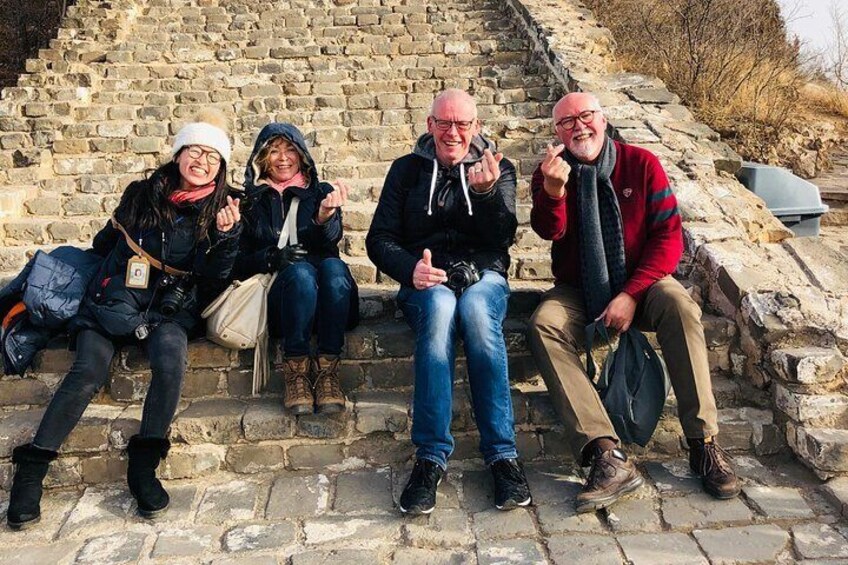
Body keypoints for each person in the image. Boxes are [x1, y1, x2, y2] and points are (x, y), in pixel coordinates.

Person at [5, 110, 242, 529]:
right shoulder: (141, 194)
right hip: (110, 302)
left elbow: (213, 278)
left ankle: (144, 465)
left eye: (211, 155)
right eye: (194, 150)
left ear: (221, 167)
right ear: (178, 153)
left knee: (171, 360)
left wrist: (226, 238)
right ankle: (32, 471)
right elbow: (105, 244)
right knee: (87, 370)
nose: (201, 161)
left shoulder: (222, 210)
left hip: (166, 309)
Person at [527, 92, 740, 513]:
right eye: (566, 122)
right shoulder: (550, 172)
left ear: (603, 120)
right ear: (557, 132)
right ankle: (605, 454)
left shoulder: (640, 164)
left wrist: (630, 294)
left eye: (585, 116)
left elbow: (668, 238)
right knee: (543, 324)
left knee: (680, 307)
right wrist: (553, 192)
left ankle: (703, 442)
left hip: (642, 282)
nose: (578, 127)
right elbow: (549, 232)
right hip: (578, 288)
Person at [366, 89, 532, 515]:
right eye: (445, 123)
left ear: (476, 127)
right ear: (430, 126)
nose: (453, 132)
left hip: (484, 276)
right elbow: (379, 239)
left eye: (462, 124)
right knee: (440, 310)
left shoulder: (499, 168)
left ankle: (502, 456)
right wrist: (409, 270)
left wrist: (487, 194)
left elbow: (502, 239)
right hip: (427, 280)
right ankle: (430, 457)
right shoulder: (405, 171)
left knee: (477, 313)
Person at [234, 123, 358, 415]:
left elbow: (332, 240)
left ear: (302, 155)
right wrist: (271, 258)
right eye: (274, 150)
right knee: (300, 274)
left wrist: (324, 217)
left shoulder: (321, 193)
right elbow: (236, 262)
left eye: (290, 149)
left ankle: (328, 371)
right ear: (262, 158)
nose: (283, 157)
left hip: (331, 303)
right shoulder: (249, 201)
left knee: (334, 268)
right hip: (284, 304)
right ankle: (296, 373)